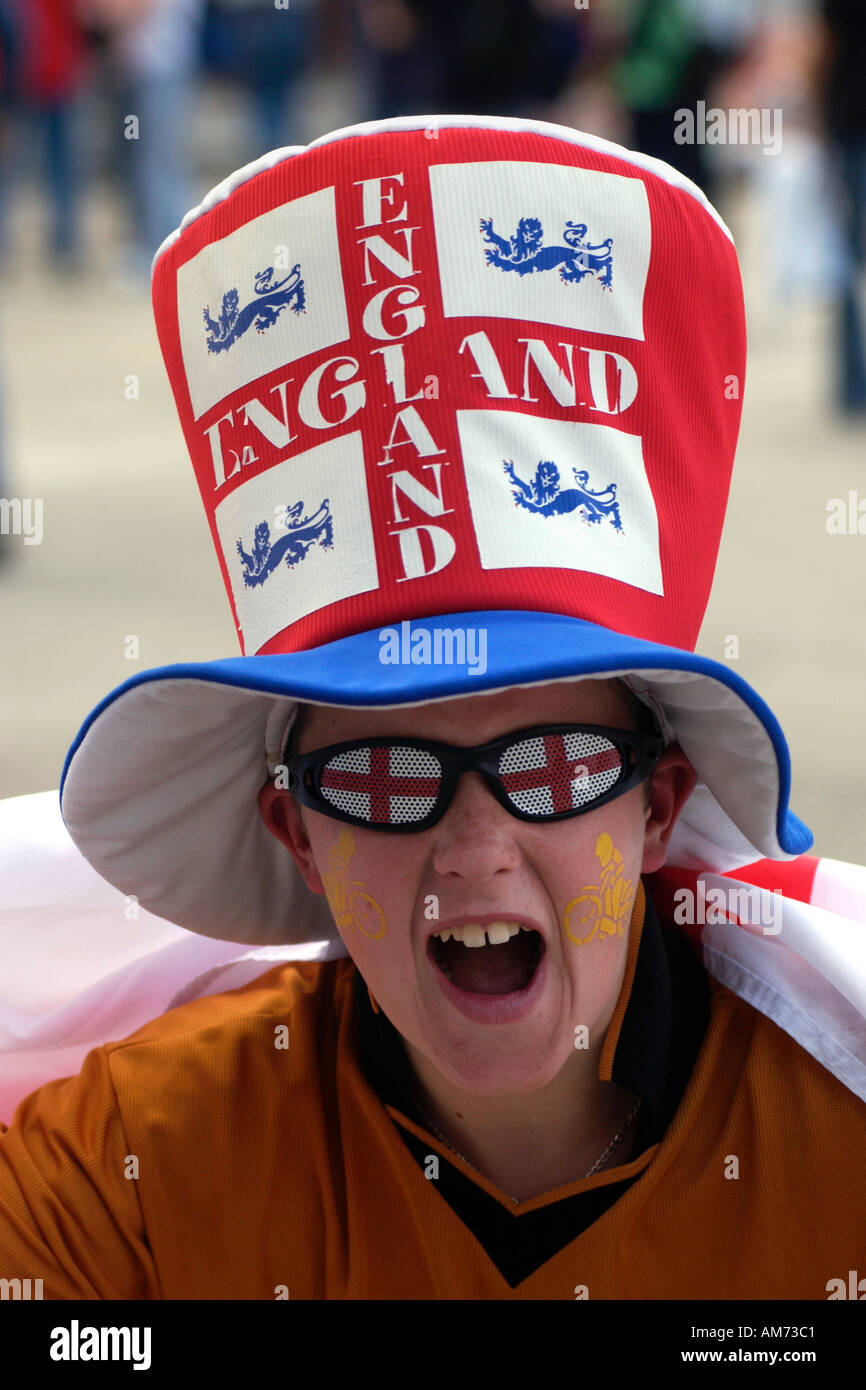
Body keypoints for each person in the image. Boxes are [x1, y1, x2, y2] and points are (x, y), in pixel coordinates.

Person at [0, 114, 864, 1300]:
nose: (472, 848)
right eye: (384, 778)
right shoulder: (132, 1171)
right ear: (296, 833)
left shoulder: (838, 1154)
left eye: (553, 765)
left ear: (656, 809)